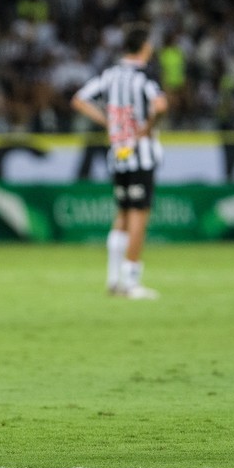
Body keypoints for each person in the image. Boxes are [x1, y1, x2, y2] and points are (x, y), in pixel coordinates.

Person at [71, 22, 168, 300]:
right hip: (140, 153)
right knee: (139, 215)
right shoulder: (144, 77)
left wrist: (107, 121)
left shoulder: (110, 75)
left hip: (118, 153)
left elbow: (78, 100)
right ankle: (131, 281)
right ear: (146, 47)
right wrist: (149, 127)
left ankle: (114, 279)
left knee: (123, 214)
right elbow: (161, 105)